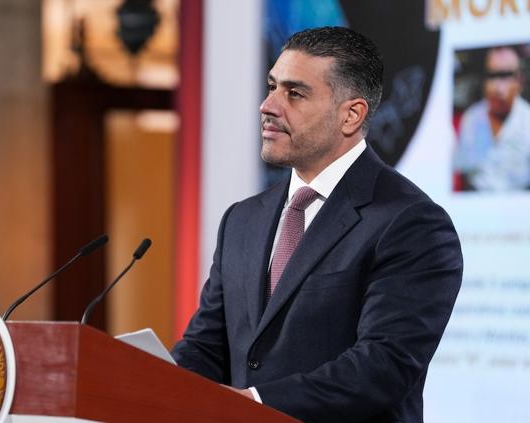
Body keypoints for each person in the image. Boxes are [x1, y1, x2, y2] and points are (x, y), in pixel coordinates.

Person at [172, 27, 463, 423]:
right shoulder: (241, 219)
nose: (268, 106)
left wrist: (253, 403)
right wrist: (154, 386)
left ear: (351, 115)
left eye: (295, 93)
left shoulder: (411, 223)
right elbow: (206, 346)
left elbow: (382, 367)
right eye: (272, 86)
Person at [454, 46, 530, 191]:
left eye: (505, 76)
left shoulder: (527, 120)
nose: (497, 87)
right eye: (492, 76)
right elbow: (462, 173)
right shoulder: (471, 117)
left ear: (519, 80)